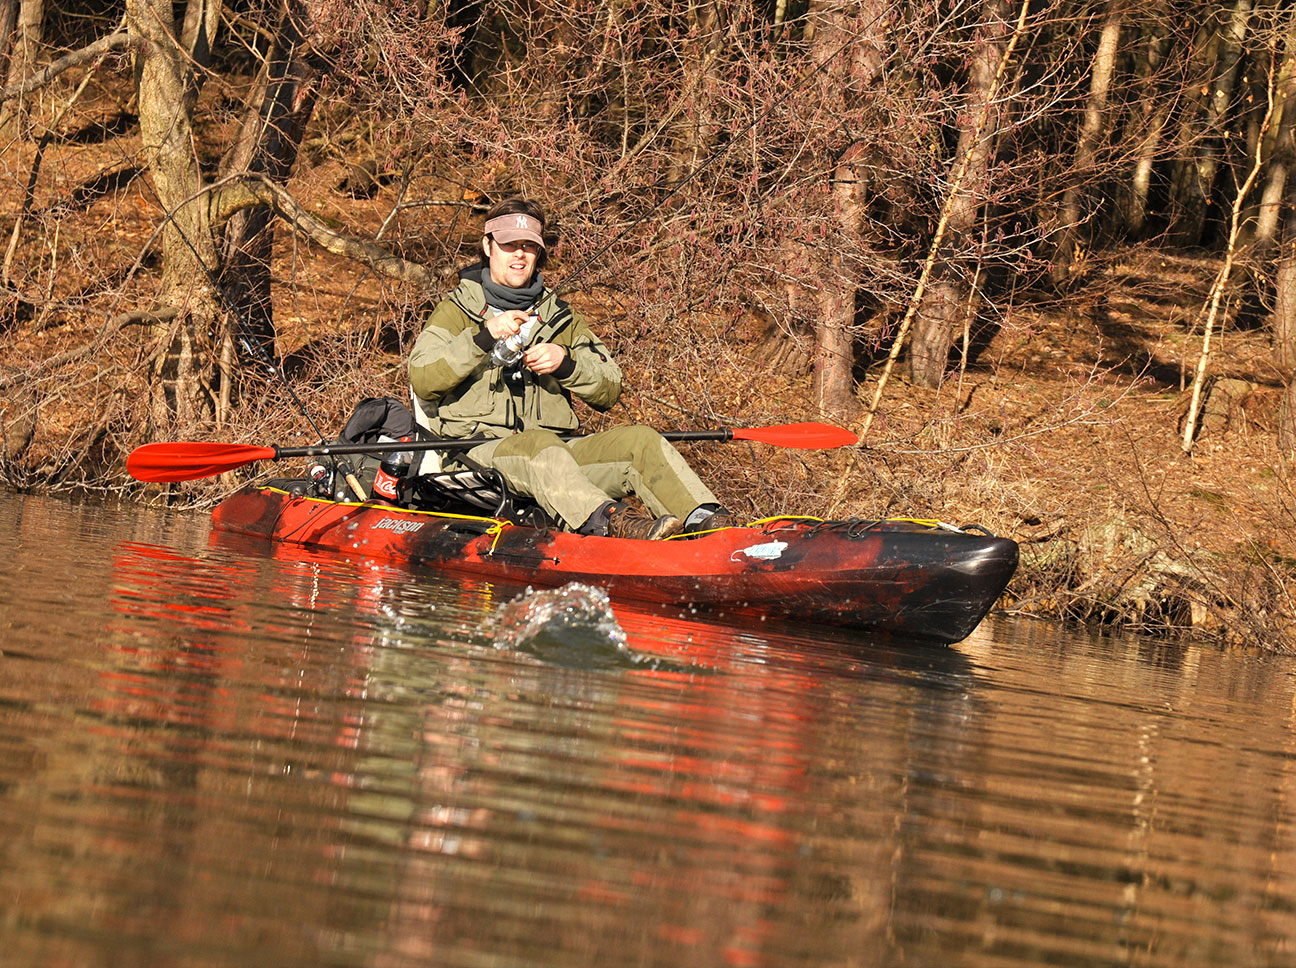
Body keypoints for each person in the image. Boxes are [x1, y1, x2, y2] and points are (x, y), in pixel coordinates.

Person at [408, 197, 736, 539]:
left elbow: (610, 388)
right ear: (488, 247)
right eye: (509, 245)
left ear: (538, 255)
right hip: (479, 456)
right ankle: (614, 524)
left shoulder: (561, 318)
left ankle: (712, 526)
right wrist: (484, 337)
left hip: (558, 455)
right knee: (538, 446)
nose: (519, 254)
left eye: (528, 247)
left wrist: (566, 364)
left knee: (641, 440)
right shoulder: (455, 311)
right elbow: (424, 377)